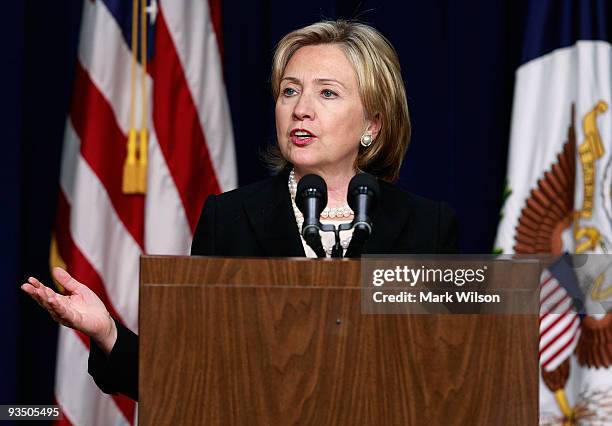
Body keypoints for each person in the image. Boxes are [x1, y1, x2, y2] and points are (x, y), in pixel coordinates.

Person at [21, 20, 458, 401]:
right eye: (290, 91)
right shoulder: (229, 219)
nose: (300, 109)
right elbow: (186, 376)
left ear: (372, 124)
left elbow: (450, 378)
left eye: (327, 93)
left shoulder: (427, 227)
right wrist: (106, 332)